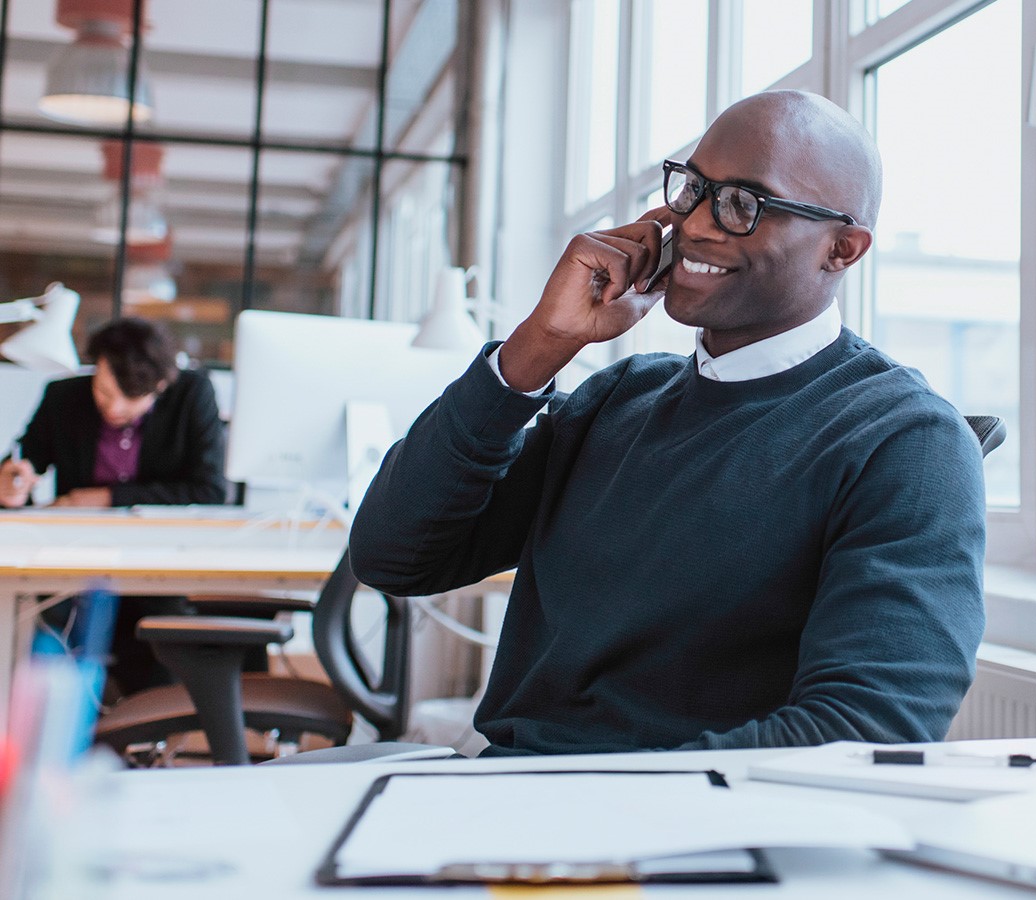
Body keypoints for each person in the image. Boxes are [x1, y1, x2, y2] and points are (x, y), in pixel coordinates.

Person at [350, 90, 986, 756]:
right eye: (693, 189)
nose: (699, 225)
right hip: (510, 804)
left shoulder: (905, 443)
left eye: (745, 204)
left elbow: (863, 732)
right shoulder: (620, 398)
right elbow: (393, 555)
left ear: (843, 250)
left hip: (676, 840)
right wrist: (537, 347)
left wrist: (587, 805)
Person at [1, 316, 228, 697]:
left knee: (161, 631)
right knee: (55, 624)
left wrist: (106, 498)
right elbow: (24, 462)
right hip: (77, 561)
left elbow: (208, 490)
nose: (115, 407)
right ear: (97, 367)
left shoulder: (192, 394)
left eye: (131, 399)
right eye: (105, 393)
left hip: (161, 560)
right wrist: (12, 481)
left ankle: (148, 725)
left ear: (159, 386)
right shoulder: (64, 397)